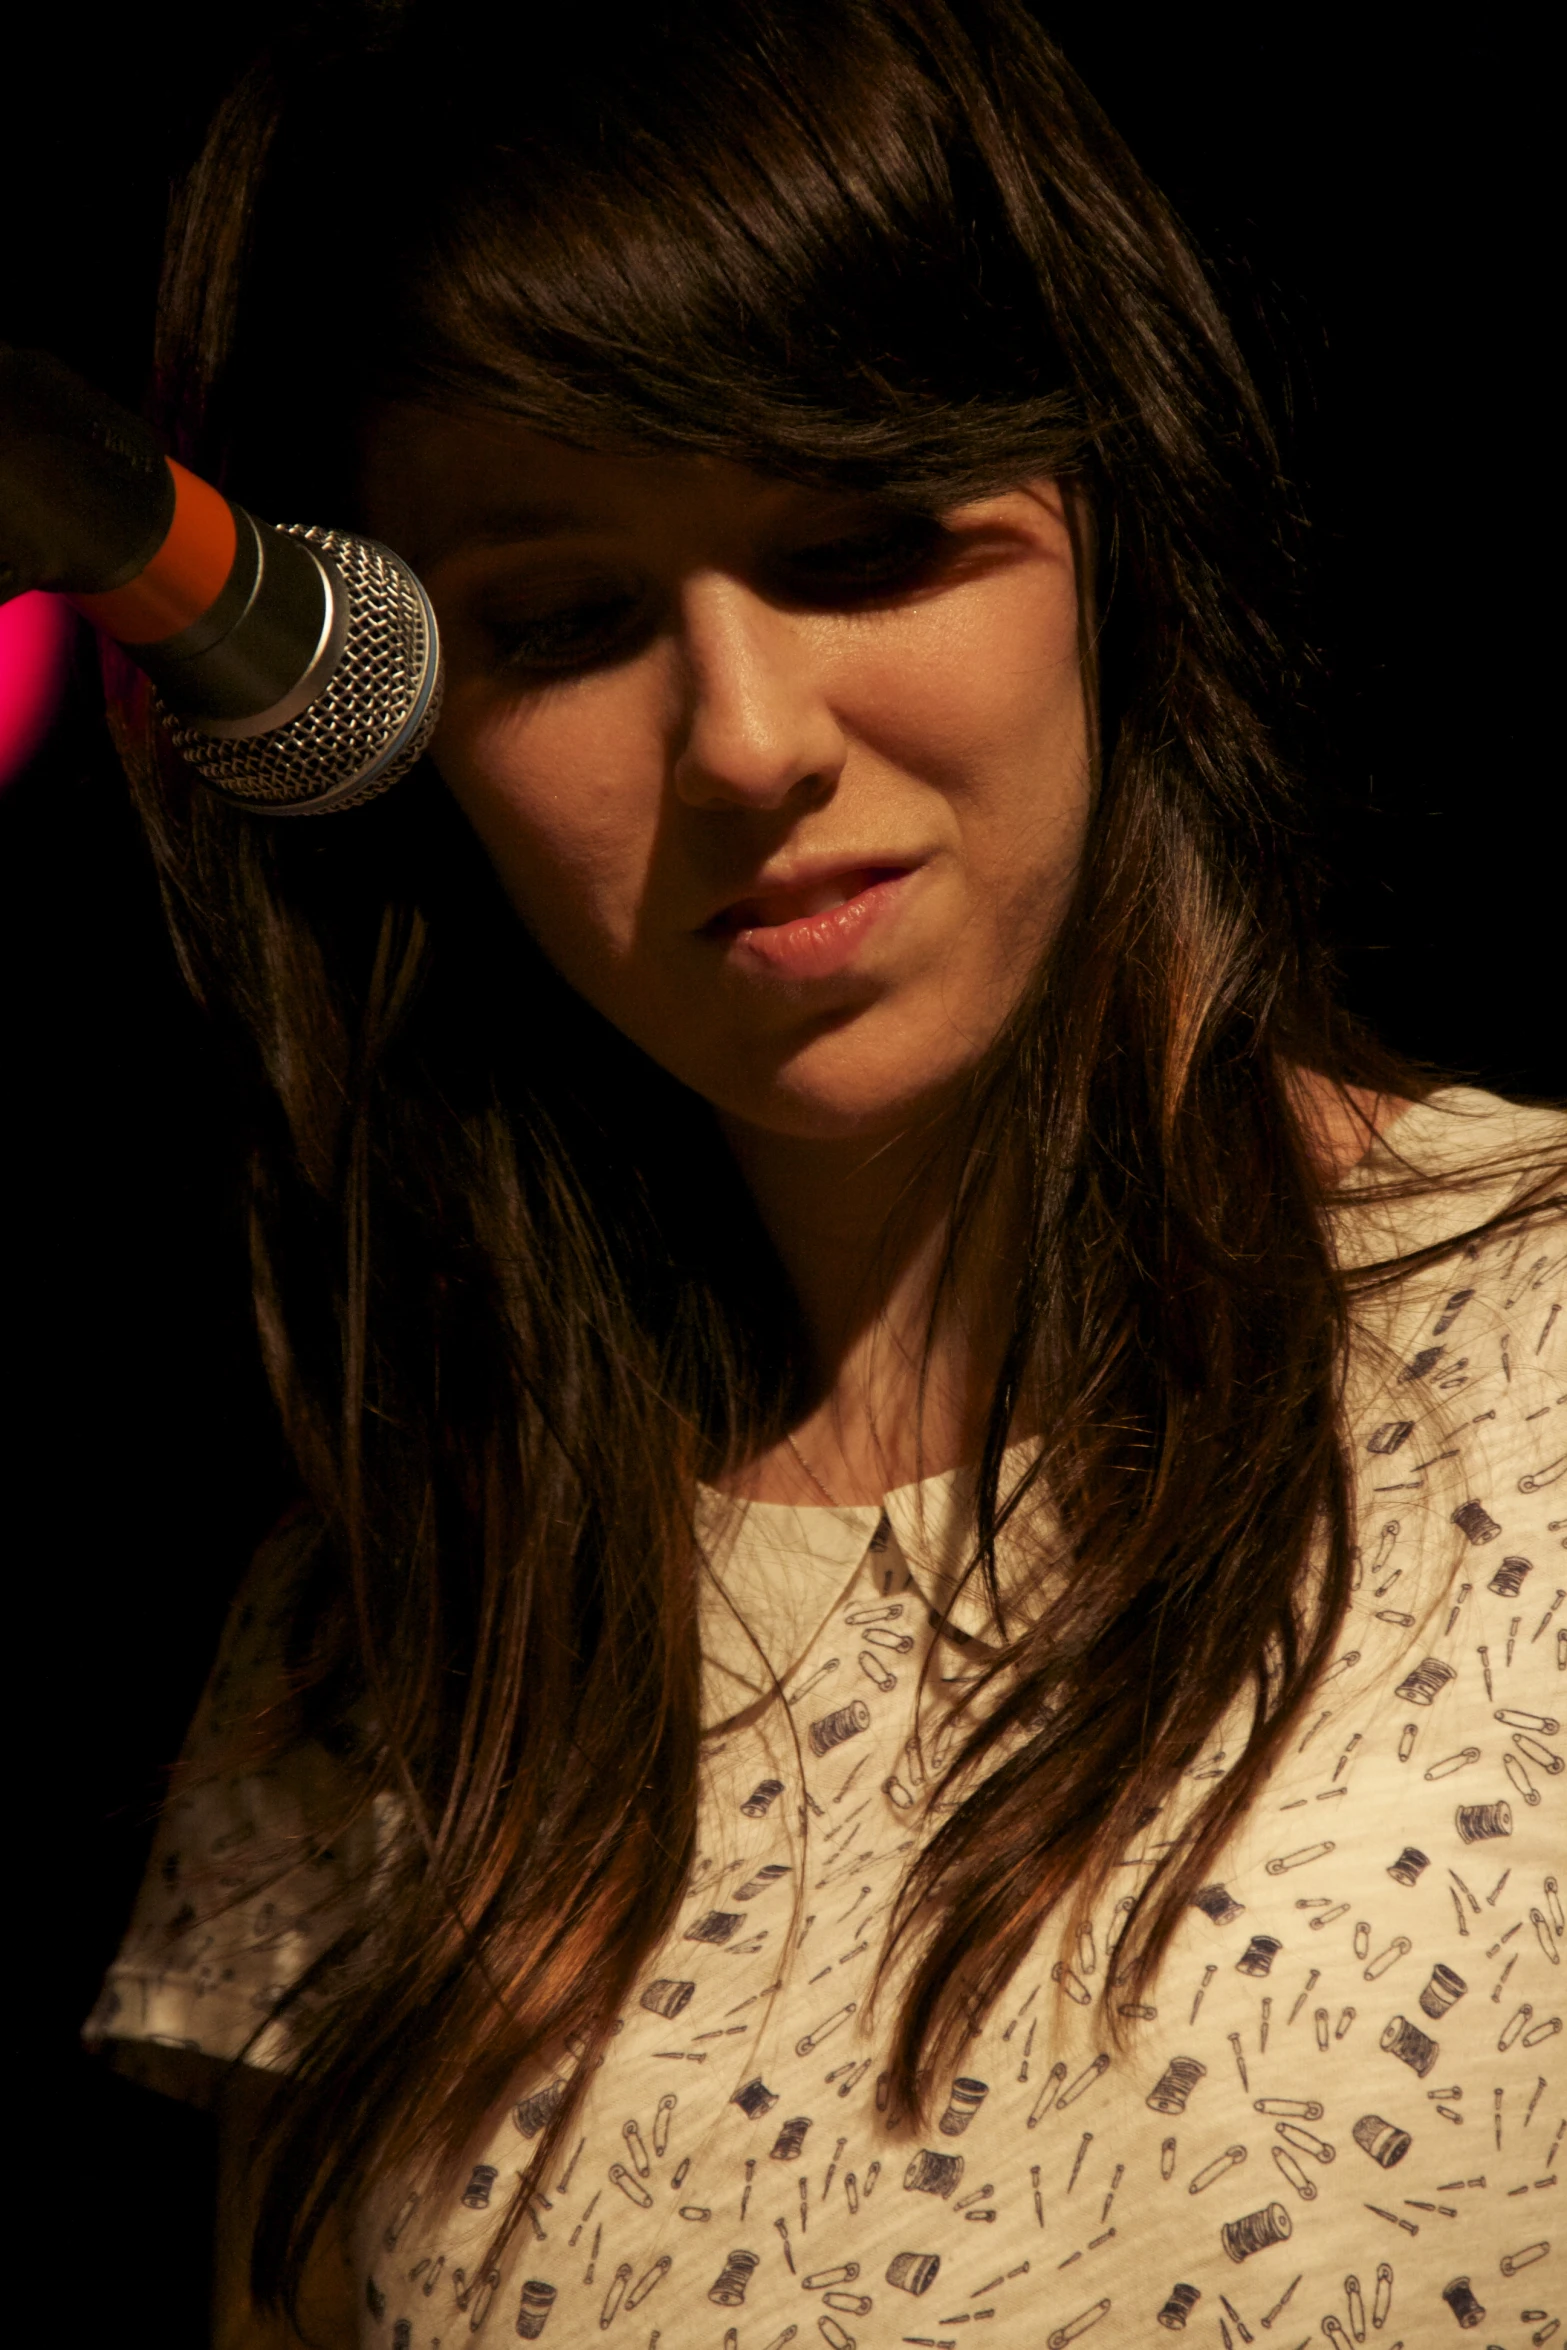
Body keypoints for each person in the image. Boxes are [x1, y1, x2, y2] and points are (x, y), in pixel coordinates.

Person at [86, 3, 1566, 2344]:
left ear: (1117, 534)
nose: (750, 742)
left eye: (865, 545)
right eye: (567, 621)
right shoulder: (388, 1629)